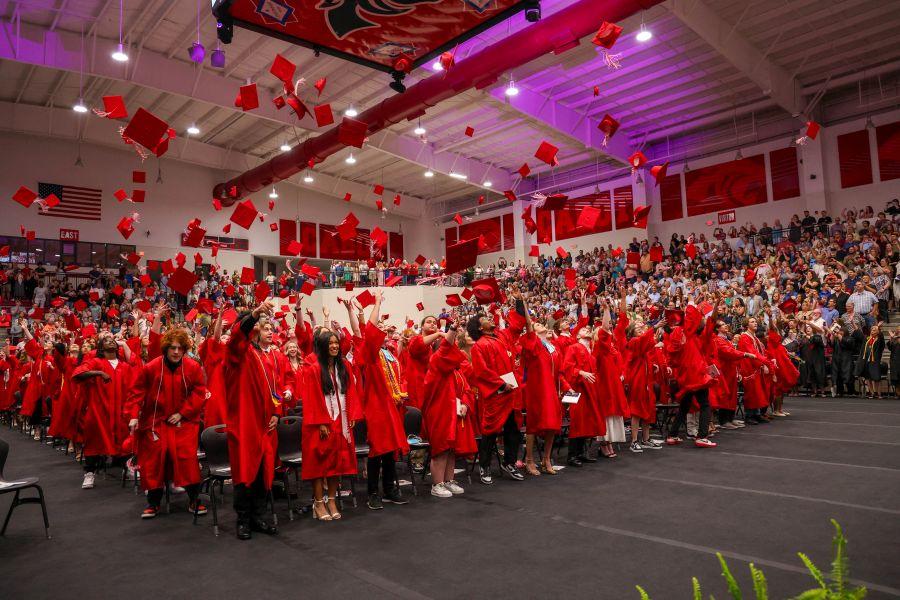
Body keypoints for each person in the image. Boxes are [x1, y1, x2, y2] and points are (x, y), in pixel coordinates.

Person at [126, 328, 208, 519]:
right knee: (154, 460)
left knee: (187, 458)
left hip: (184, 422)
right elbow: (136, 392)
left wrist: (183, 413)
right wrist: (133, 415)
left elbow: (199, 392)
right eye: (172, 348)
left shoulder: (192, 367)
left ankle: (194, 499)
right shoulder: (152, 367)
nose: (176, 352)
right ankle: (153, 503)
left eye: (180, 348)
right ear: (166, 348)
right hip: (157, 421)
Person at [224, 300, 281, 540]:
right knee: (245, 472)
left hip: (265, 424)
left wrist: (277, 413)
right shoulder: (237, 352)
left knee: (262, 472)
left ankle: (259, 517)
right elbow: (238, 335)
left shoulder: (263, 356)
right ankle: (243, 520)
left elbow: (274, 390)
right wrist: (254, 314)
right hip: (244, 424)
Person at [299, 325, 362, 521]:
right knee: (320, 463)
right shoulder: (313, 370)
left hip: (341, 422)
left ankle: (332, 500)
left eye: (336, 343)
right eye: (330, 343)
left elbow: (351, 392)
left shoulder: (343, 366)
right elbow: (311, 399)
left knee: (337, 462)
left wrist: (352, 414)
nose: (334, 346)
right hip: (321, 424)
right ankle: (318, 502)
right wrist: (321, 423)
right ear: (323, 346)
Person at [358, 290, 410, 510]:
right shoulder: (368, 354)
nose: (382, 330)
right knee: (377, 451)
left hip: (391, 406)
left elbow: (400, 376)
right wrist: (376, 303)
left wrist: (401, 392)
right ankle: (372, 492)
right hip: (375, 407)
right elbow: (367, 332)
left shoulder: (388, 353)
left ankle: (389, 489)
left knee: (390, 451)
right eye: (378, 327)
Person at [421, 324, 477, 498]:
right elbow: (445, 348)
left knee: (452, 449)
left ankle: (448, 480)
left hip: (456, 415)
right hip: (439, 413)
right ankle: (437, 484)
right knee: (441, 449)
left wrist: (466, 405)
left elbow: (467, 390)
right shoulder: (436, 367)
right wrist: (452, 330)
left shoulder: (456, 372)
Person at [467, 311, 524, 484]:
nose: (490, 319)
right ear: (479, 327)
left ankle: (510, 463)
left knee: (513, 430)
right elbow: (482, 371)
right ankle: (484, 466)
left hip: (511, 392)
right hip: (496, 395)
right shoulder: (479, 346)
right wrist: (501, 384)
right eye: (485, 319)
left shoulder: (498, 339)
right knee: (490, 432)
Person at [73, 334, 135, 489]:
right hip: (98, 411)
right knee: (94, 442)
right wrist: (98, 373)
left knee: (123, 439)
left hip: (120, 411)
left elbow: (133, 390)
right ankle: (90, 473)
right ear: (100, 348)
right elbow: (78, 374)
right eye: (106, 340)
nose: (111, 341)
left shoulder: (125, 366)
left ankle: (126, 467)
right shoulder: (95, 362)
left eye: (112, 340)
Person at [513, 287, 563, 476]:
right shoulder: (532, 342)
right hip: (537, 390)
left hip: (552, 390)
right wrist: (523, 303)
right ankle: (529, 460)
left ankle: (547, 458)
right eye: (539, 324)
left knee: (553, 425)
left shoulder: (552, 347)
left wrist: (560, 388)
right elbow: (528, 323)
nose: (542, 325)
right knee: (533, 425)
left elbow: (558, 370)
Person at [664, 302, 717, 448]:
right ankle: (702, 436)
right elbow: (693, 316)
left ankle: (673, 435)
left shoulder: (679, 335)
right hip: (696, 375)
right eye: (701, 319)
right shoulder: (687, 333)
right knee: (705, 405)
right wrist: (692, 303)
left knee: (684, 406)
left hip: (686, 375)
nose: (702, 321)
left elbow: (672, 356)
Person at [857, 324, 885, 398]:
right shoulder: (867, 339)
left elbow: (882, 339)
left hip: (875, 362)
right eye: (872, 329)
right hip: (867, 361)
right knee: (868, 378)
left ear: (878, 332)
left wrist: (878, 328)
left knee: (877, 378)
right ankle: (872, 393)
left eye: (874, 330)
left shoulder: (879, 340)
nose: (872, 331)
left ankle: (879, 394)